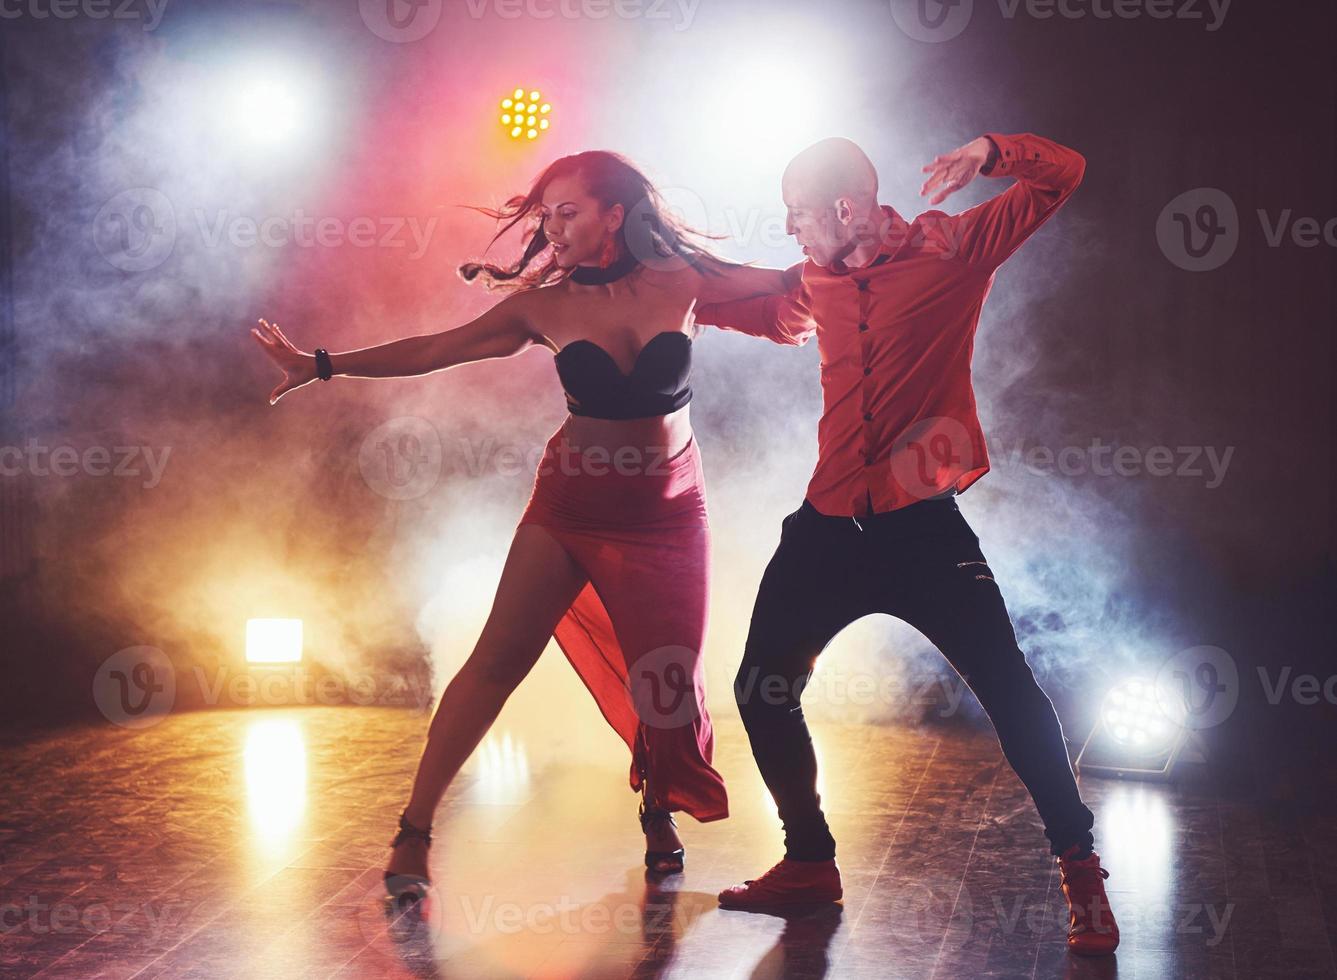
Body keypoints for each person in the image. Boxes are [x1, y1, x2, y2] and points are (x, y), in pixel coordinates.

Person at [248, 149, 796, 908]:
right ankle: (413, 829)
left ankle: (656, 805)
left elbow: (794, 283)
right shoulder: (544, 306)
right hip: (568, 508)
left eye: (567, 211)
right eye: (545, 216)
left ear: (616, 214)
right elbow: (436, 349)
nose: (552, 227)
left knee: (666, 686)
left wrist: (866, 246)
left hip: (666, 514)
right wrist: (323, 363)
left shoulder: (685, 278)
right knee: (495, 661)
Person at [693, 132, 1120, 956]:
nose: (790, 231)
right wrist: (630, 298)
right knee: (759, 689)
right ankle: (809, 862)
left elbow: (1063, 174)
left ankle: (1080, 867)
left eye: (797, 215)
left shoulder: (950, 249)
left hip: (921, 528)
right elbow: (745, 304)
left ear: (845, 208)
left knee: (1010, 692)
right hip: (825, 527)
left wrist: (993, 151)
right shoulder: (812, 279)